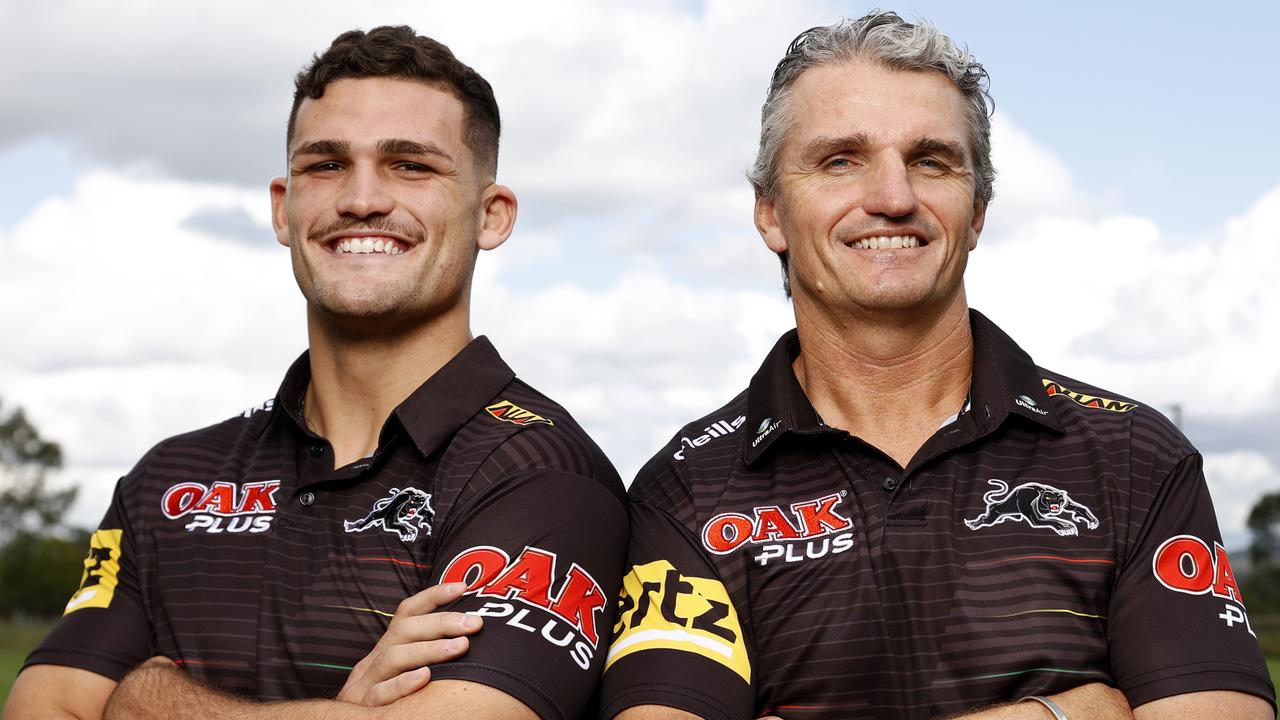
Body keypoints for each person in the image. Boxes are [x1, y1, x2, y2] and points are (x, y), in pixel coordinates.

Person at [597, 12, 1276, 720]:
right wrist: (1065, 714)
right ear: (770, 212)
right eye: (841, 160)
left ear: (977, 209)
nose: (893, 198)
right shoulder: (686, 490)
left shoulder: (1133, 455)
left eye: (931, 160)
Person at [3, 25, 627, 720]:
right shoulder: (172, 479)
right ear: (283, 206)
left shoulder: (539, 474)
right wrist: (341, 710)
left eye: (411, 166)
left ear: (491, 215)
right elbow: (43, 709)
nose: (361, 198)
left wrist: (145, 699)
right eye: (326, 165)